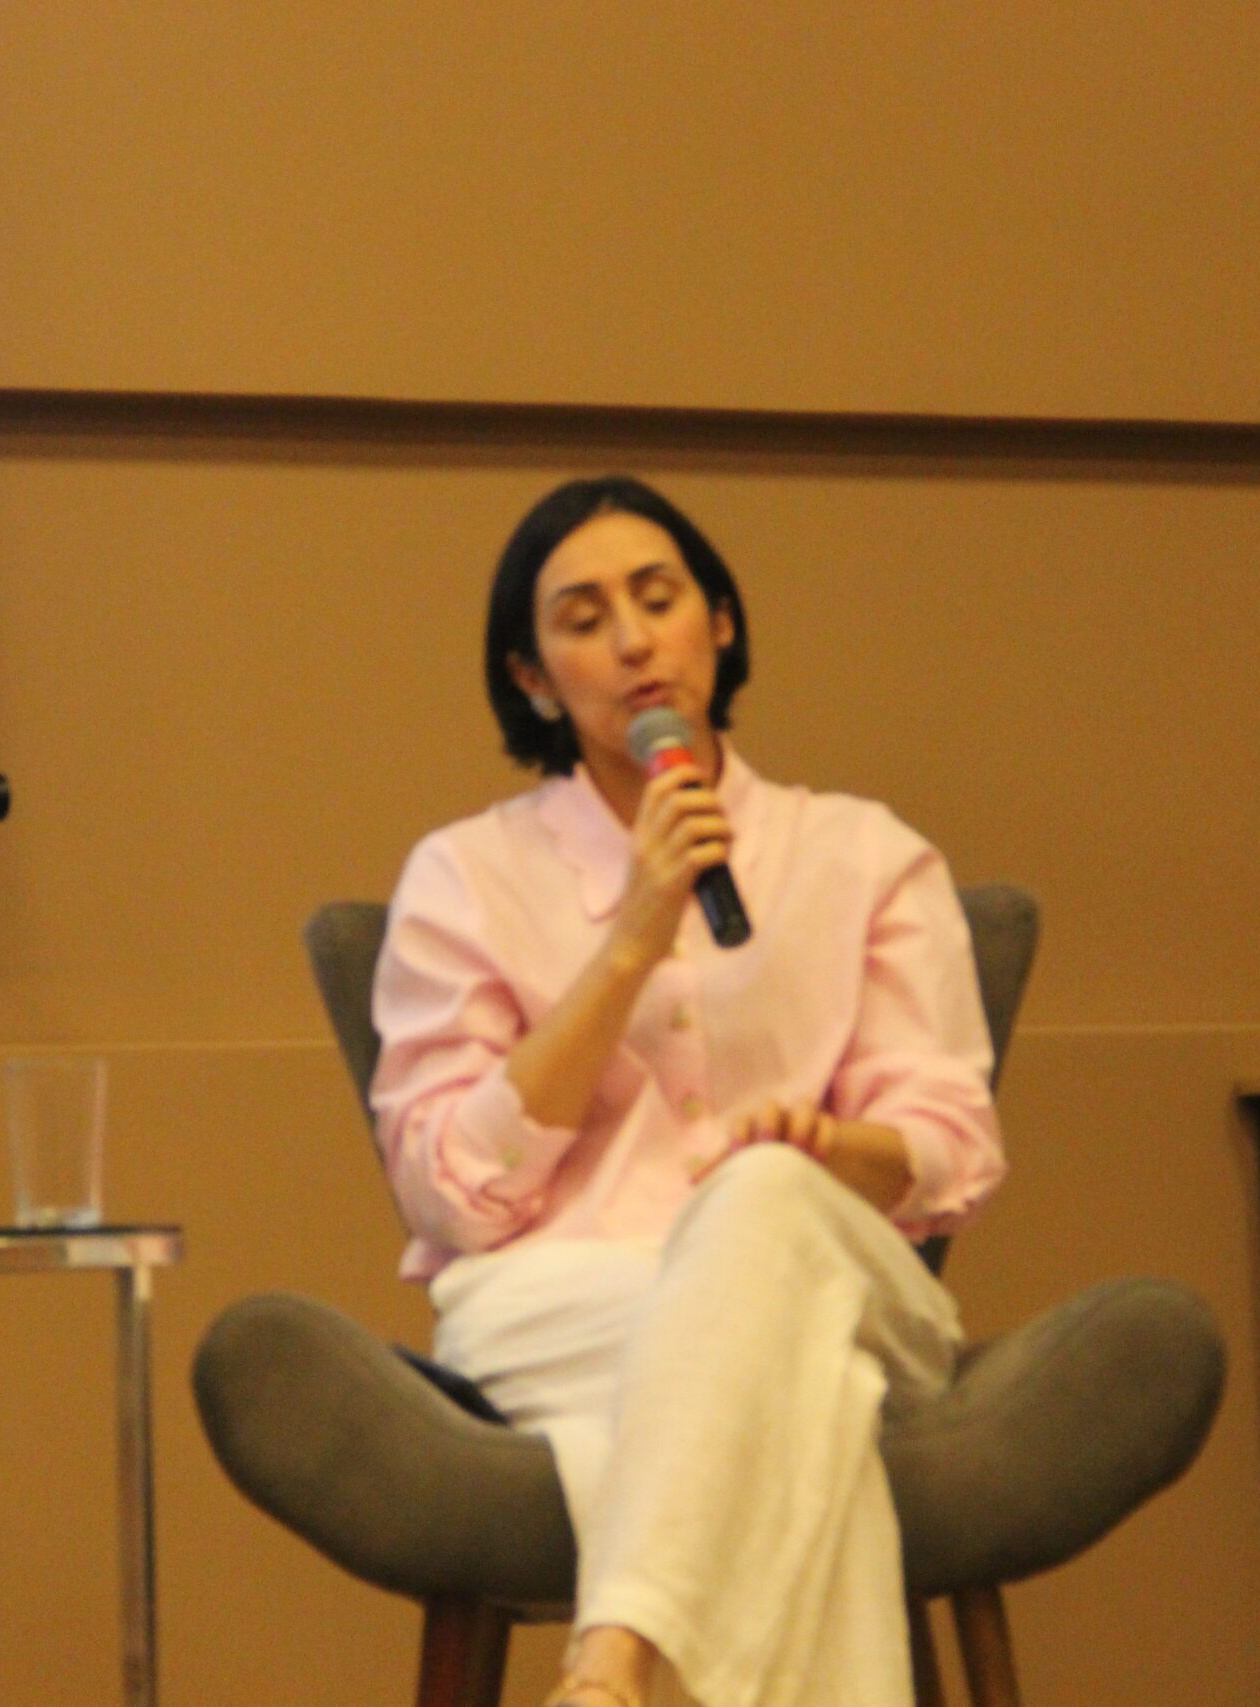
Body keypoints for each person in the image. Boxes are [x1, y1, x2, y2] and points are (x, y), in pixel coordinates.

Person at [369, 476, 1005, 1707]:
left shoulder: (863, 852)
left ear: (720, 622)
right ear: (533, 680)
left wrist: (826, 1153)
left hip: (835, 1277)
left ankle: (612, 1660)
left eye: (658, 600)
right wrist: (632, 941)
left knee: (760, 1205)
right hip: (558, 1301)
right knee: (802, 1402)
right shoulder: (463, 876)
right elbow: (449, 1192)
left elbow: (949, 1150)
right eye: (583, 619)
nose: (632, 641)